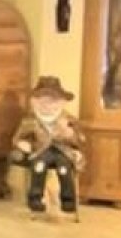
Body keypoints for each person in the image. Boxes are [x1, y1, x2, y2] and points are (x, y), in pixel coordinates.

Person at [13, 76, 86, 220]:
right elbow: (18, 137)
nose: (47, 106)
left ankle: (68, 201)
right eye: (43, 101)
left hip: (62, 152)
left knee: (64, 169)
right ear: (35, 102)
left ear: (61, 102)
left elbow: (81, 140)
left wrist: (70, 135)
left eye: (52, 101)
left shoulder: (69, 119)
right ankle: (35, 200)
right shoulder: (31, 120)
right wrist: (22, 143)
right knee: (39, 167)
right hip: (40, 151)